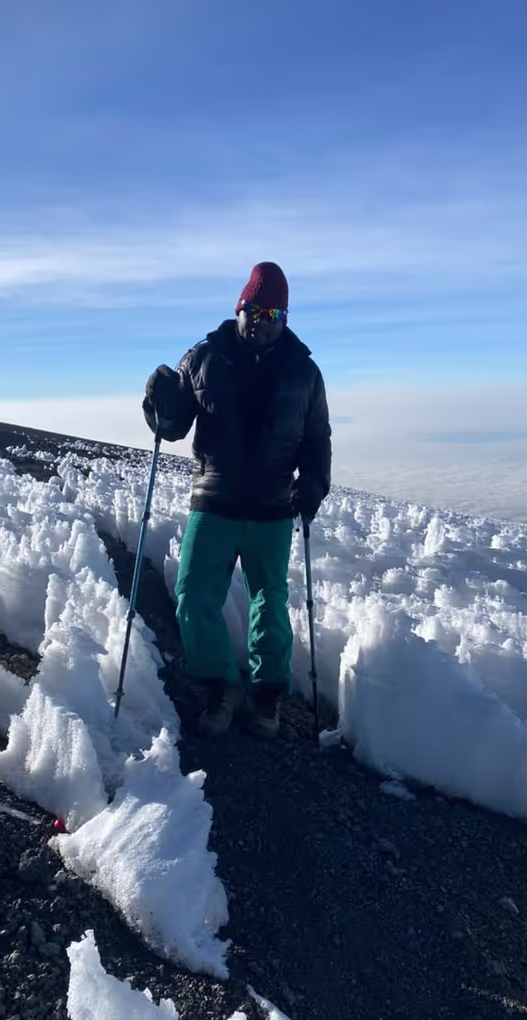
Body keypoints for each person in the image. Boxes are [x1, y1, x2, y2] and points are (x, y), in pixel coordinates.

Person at [143, 262, 332, 739]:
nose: (263, 321)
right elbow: (172, 426)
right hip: (214, 501)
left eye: (274, 314)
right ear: (240, 308)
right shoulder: (203, 358)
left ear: (284, 318)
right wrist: (158, 403)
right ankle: (219, 686)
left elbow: (317, 438)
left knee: (270, 602)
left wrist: (314, 483)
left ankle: (267, 694)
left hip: (273, 507)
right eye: (256, 311)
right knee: (193, 595)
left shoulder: (305, 373)